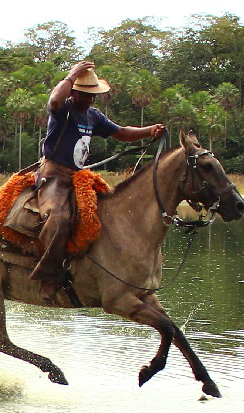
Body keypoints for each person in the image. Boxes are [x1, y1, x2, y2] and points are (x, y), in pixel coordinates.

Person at [33, 61, 165, 301]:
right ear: (74, 92)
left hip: (78, 177)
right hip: (53, 175)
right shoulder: (64, 109)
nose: (92, 100)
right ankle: (49, 276)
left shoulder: (93, 116)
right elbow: (53, 101)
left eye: (94, 96)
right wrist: (71, 74)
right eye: (87, 95)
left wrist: (149, 131)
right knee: (59, 218)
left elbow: (122, 133)